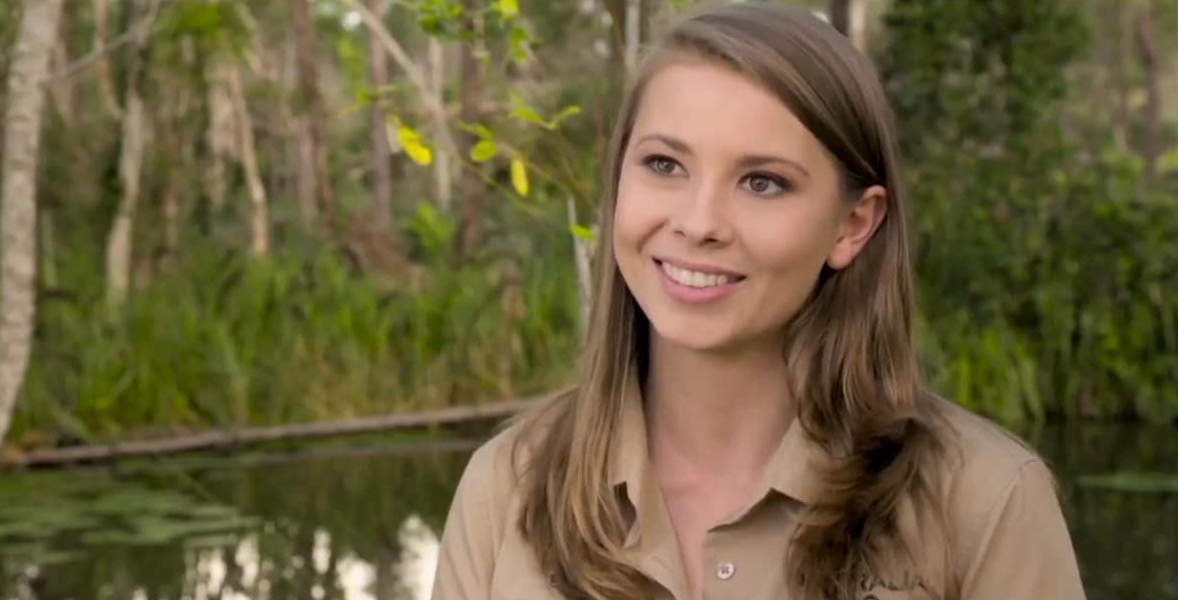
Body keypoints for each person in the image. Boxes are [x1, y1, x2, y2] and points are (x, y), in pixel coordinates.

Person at [430, 2, 1087, 599]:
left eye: (763, 182)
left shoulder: (987, 501)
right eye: (664, 165)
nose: (699, 222)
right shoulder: (507, 487)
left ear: (852, 225)